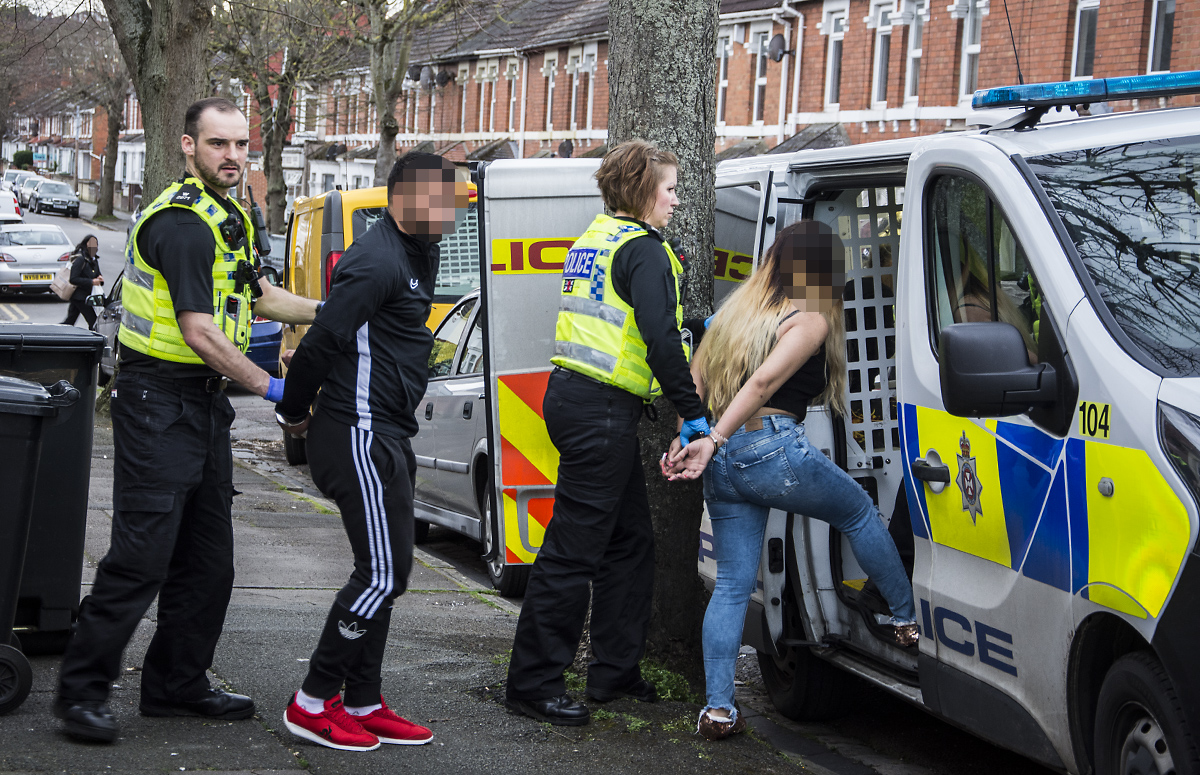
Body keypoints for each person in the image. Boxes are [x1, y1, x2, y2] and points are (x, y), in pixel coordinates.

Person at [55, 97, 322, 743]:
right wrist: (275, 388)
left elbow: (261, 297)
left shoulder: (230, 213)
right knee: (142, 556)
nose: (232, 156)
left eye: (240, 146)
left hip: (202, 403)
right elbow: (199, 330)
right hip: (158, 401)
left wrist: (342, 308)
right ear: (187, 145)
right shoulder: (181, 224)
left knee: (209, 560)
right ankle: (81, 693)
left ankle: (176, 684)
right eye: (218, 144)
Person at [664, 220, 918, 741]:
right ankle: (903, 617)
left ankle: (717, 709)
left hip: (726, 460)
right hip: (769, 446)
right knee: (858, 513)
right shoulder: (808, 321)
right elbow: (763, 383)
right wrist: (712, 438)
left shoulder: (733, 316)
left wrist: (691, 437)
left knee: (733, 584)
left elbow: (693, 382)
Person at [504, 139, 709, 726]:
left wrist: (697, 324)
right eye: (669, 189)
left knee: (628, 545)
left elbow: (627, 318)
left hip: (577, 401)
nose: (675, 200)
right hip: (600, 414)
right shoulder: (644, 250)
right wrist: (692, 412)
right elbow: (659, 340)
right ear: (645, 190)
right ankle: (533, 683)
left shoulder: (597, 239)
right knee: (572, 553)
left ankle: (614, 674)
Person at [273, 152, 468, 752]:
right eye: (444, 202)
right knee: (384, 573)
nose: (454, 213)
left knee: (385, 571)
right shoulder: (375, 260)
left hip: (389, 430)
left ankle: (362, 698)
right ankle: (312, 700)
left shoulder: (421, 250)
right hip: (356, 430)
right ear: (406, 199)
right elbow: (325, 337)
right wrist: (294, 411)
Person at [61, 234, 103, 328]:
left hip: (87, 296)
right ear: (86, 244)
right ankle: (94, 341)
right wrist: (91, 282)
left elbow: (97, 275)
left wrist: (100, 279)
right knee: (93, 322)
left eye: (95, 243)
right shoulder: (80, 259)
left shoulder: (94, 260)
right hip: (79, 297)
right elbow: (73, 279)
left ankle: (55, 334)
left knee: (69, 322)